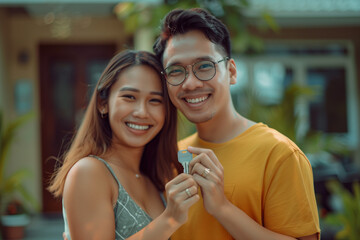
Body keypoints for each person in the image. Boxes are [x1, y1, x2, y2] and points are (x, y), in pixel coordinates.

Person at [153, 8, 320, 240]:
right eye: (175, 71)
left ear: (231, 71)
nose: (190, 84)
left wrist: (222, 208)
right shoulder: (171, 157)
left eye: (204, 66)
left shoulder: (278, 153)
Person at [48, 50, 200, 240]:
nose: (141, 112)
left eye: (155, 100)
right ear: (103, 104)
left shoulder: (155, 178)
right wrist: (170, 219)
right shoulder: (89, 172)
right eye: (129, 97)